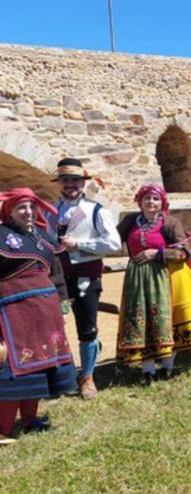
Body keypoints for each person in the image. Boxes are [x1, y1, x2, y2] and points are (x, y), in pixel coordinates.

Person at [116, 184, 191, 384]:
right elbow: (110, 241)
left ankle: (167, 366)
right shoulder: (129, 222)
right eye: (147, 198)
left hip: (168, 278)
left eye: (155, 198)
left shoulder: (170, 223)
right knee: (141, 319)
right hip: (138, 279)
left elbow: (184, 252)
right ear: (140, 201)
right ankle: (147, 369)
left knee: (167, 321)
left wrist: (157, 253)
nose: (151, 202)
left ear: (162, 201)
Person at [0, 188, 78, 444]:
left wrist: (63, 305)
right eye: (21, 207)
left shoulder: (44, 238)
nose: (28, 212)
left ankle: (31, 420)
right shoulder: (1, 236)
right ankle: (4, 428)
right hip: (13, 312)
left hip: (46, 312)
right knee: (15, 370)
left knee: (41, 366)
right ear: (9, 212)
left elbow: (57, 275)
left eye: (32, 207)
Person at [45, 158, 121, 400]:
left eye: (75, 180)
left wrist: (80, 244)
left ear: (83, 182)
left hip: (85, 276)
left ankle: (87, 376)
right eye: (66, 180)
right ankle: (65, 375)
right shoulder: (50, 212)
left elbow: (113, 243)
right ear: (59, 183)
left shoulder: (97, 210)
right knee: (56, 326)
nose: (71, 184)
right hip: (58, 280)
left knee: (87, 328)